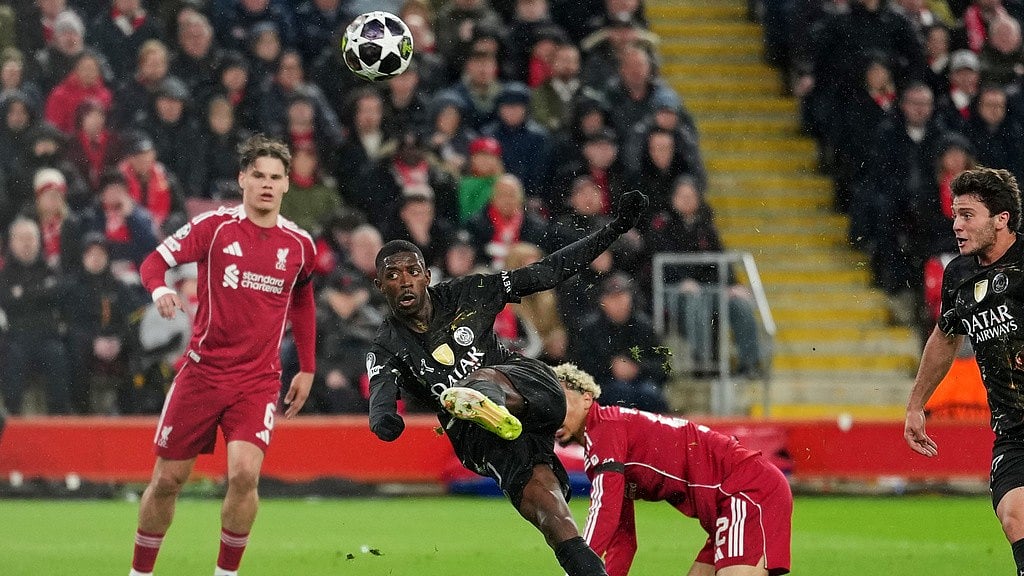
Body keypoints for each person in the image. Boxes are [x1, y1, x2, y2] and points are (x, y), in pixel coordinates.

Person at [367, 189, 650, 576]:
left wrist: (613, 230)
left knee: (480, 379)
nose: (405, 282)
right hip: (483, 438)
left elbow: (546, 271)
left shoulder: (469, 292)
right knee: (554, 518)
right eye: (392, 275)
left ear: (427, 276)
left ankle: (483, 397)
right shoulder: (386, 346)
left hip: (529, 387)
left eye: (412, 271)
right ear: (379, 285)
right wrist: (386, 422)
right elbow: (380, 404)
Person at [128, 134, 317, 576]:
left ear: (287, 184)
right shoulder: (214, 228)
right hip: (202, 374)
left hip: (256, 381)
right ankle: (140, 573)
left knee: (245, 474)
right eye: (258, 176)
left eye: (275, 177)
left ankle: (226, 573)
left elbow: (304, 302)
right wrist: (159, 291)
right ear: (242, 180)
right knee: (167, 482)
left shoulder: (300, 245)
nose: (267, 185)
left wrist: (307, 367)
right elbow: (153, 262)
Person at [554, 363, 793, 576]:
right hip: (727, 504)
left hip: (746, 489)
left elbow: (604, 511)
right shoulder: (604, 442)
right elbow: (622, 539)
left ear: (587, 399)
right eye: (547, 406)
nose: (553, 413)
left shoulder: (605, 429)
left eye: (559, 401)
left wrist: (579, 568)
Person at [904, 166, 1024, 576]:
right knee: (1014, 516)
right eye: (955, 214)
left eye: (968, 214)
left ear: (1001, 219)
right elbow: (944, 338)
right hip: (1014, 429)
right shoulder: (959, 274)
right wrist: (916, 404)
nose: (956, 225)